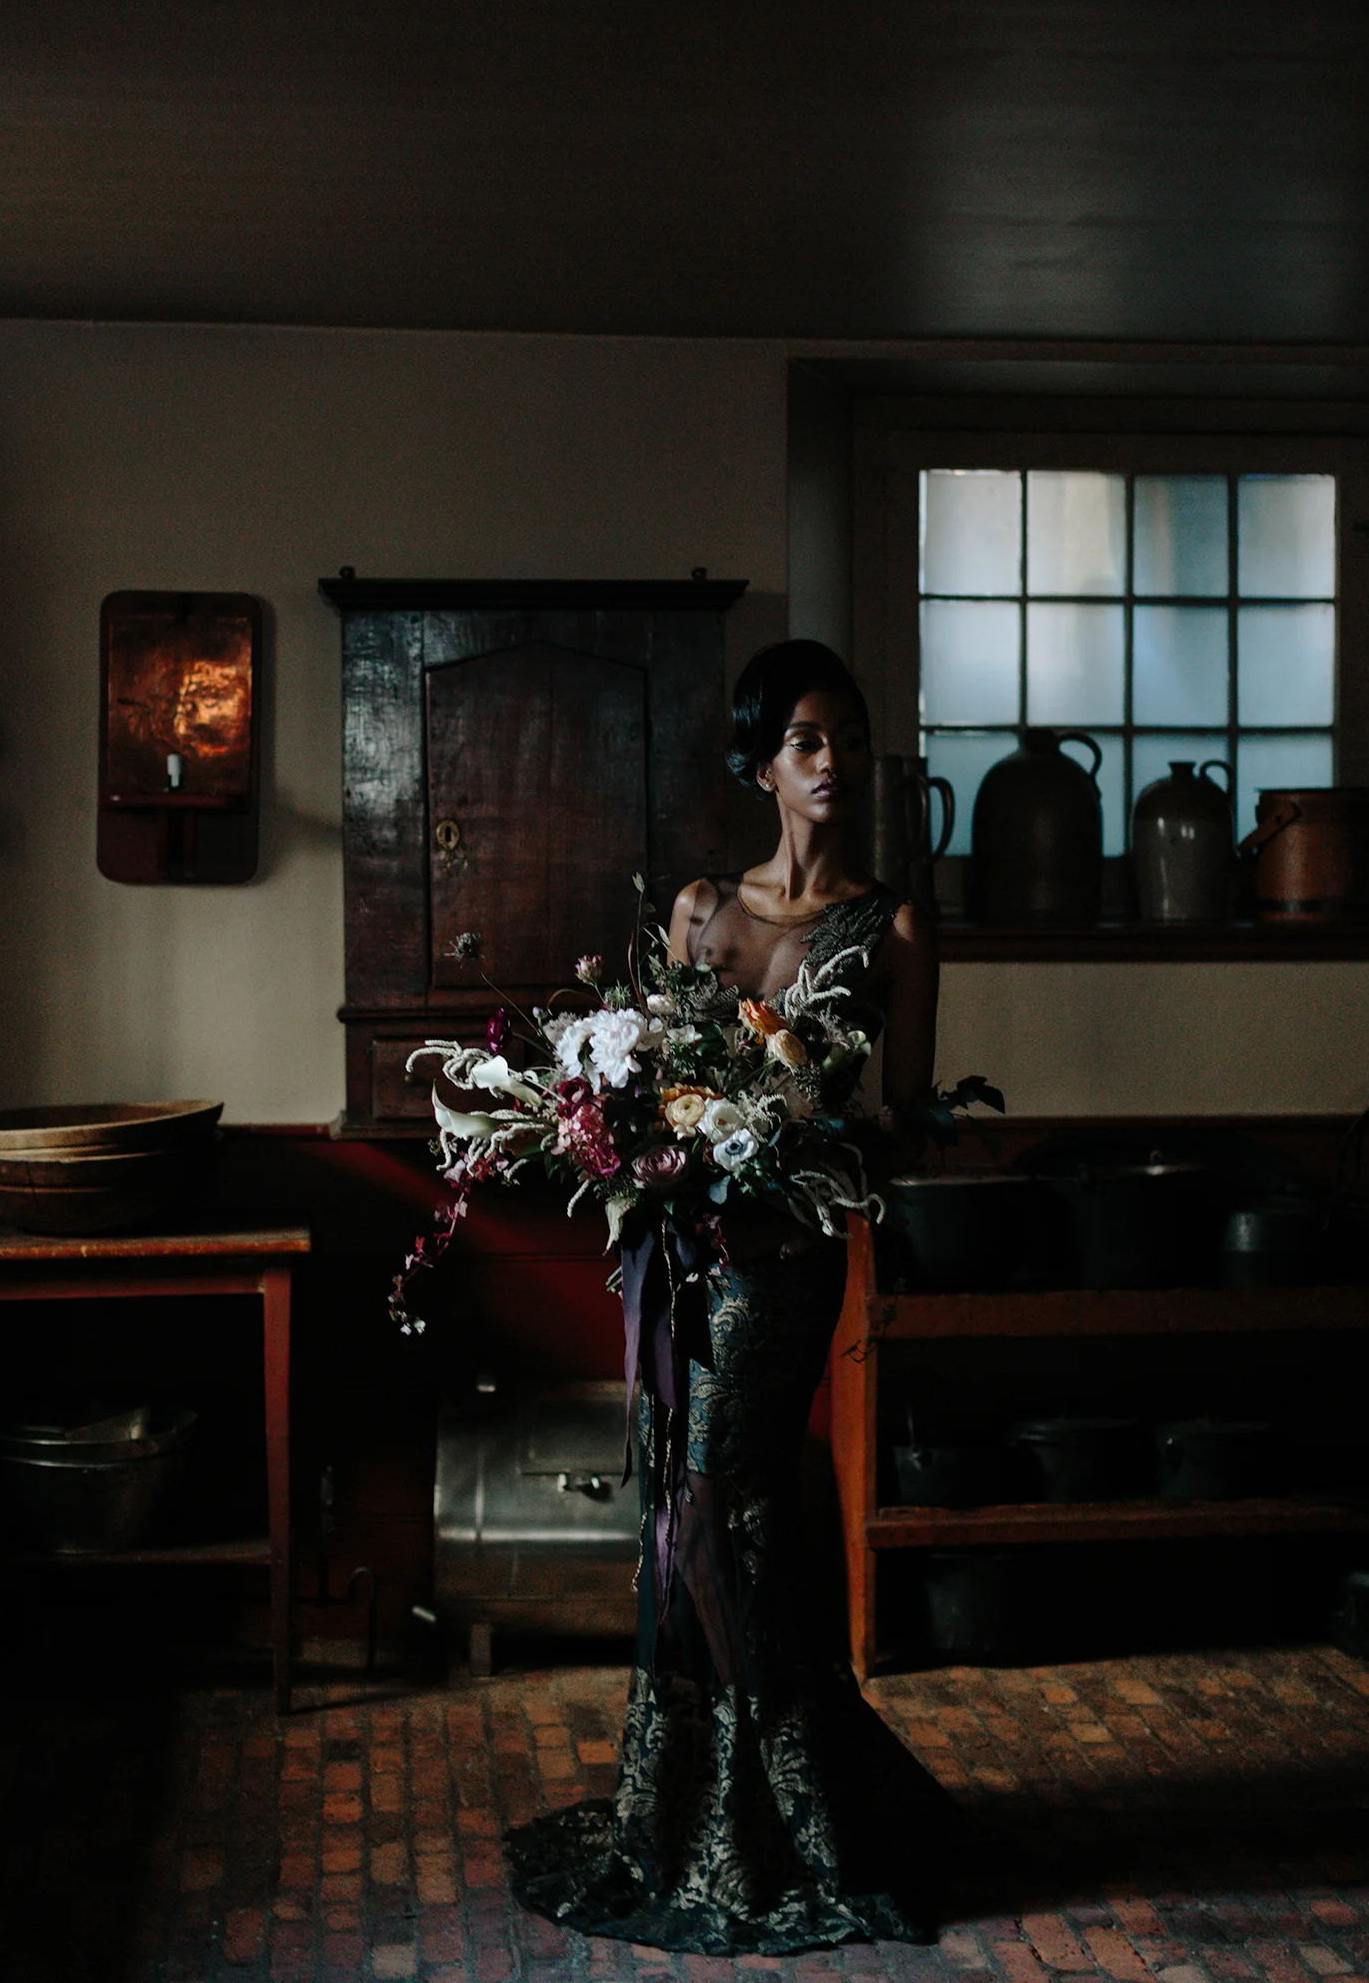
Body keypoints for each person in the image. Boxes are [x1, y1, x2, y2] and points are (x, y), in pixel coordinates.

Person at [506, 639, 957, 1954]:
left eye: (850, 738)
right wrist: (632, 1141)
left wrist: (797, 1135)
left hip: (787, 1260)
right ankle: (707, 1797)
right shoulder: (701, 911)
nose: (834, 761)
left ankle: (786, 1805)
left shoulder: (894, 927)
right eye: (808, 739)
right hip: (682, 1254)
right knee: (685, 1503)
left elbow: (909, 1124)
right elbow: (647, 1072)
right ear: (761, 762)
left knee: (724, 1496)